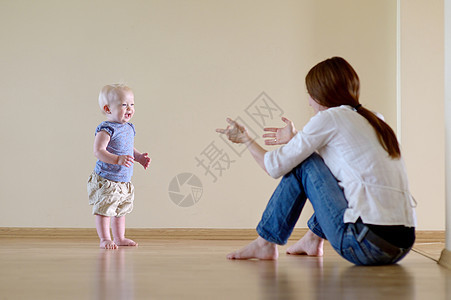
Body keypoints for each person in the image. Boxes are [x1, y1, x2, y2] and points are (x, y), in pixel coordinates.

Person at [216, 57, 416, 265]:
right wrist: (296, 139)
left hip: (364, 245)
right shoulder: (375, 119)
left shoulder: (329, 118)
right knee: (323, 167)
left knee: (302, 162)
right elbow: (334, 166)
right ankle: (312, 239)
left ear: (321, 94)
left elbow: (273, 166)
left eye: (309, 94)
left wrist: (246, 139)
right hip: (401, 245)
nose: (309, 101)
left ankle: (265, 243)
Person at [87, 84, 151, 249]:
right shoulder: (106, 129)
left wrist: (138, 157)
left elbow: (128, 148)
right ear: (108, 109)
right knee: (105, 210)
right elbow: (98, 151)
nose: (129, 108)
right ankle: (105, 239)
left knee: (121, 210)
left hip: (123, 180)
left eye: (132, 104)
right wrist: (117, 160)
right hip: (107, 179)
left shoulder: (129, 127)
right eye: (124, 105)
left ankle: (119, 237)